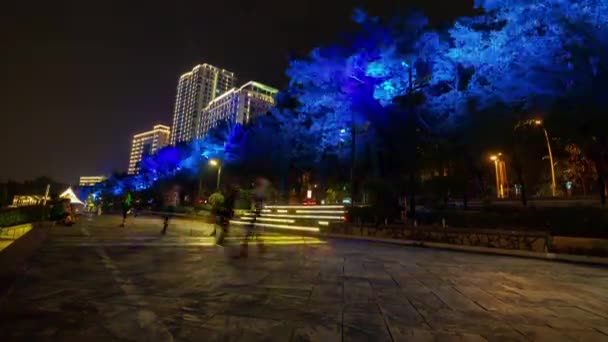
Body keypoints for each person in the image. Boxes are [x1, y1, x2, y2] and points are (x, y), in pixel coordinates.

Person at [241, 178, 268, 257]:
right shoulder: (257, 192)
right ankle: (245, 249)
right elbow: (256, 202)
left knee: (254, 232)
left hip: (256, 214)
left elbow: (254, 201)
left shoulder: (256, 192)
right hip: (256, 214)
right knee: (252, 232)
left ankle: (260, 248)